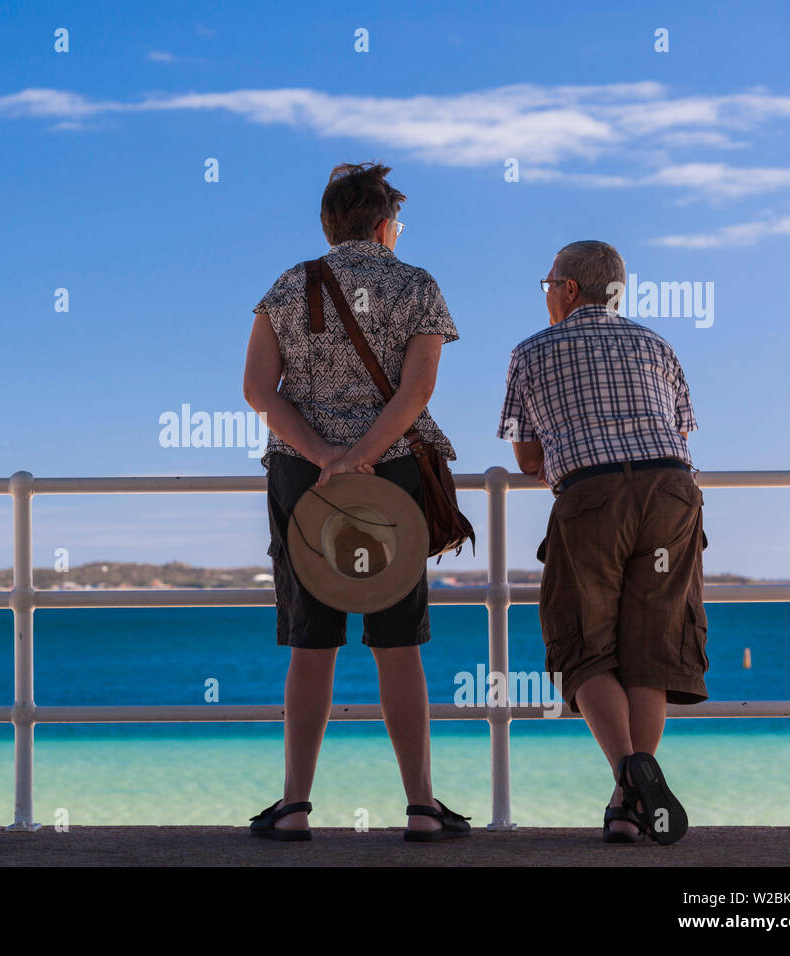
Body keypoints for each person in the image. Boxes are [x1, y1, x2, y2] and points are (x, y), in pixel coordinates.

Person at [242, 162, 469, 842]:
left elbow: (258, 390)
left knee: (311, 645)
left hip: (303, 480)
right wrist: (363, 455)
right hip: (390, 476)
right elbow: (416, 391)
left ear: (330, 223)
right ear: (383, 222)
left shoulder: (288, 284)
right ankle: (422, 807)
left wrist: (324, 456)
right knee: (398, 645)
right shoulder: (416, 284)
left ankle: (294, 807)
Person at [497, 240, 706, 844]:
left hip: (592, 497)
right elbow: (680, 429)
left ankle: (626, 772)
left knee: (581, 645)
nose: (544, 294)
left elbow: (528, 453)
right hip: (671, 492)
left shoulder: (531, 351)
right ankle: (627, 805)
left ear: (567, 290)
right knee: (651, 649)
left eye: (546, 283)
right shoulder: (657, 345)